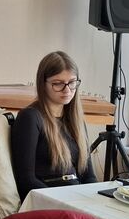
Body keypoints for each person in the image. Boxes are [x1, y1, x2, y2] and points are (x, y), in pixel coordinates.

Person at [10, 51, 98, 199]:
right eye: (58, 83)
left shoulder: (77, 121)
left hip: (75, 197)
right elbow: (26, 181)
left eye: (72, 82)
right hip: (46, 200)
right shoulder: (30, 117)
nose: (67, 90)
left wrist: (94, 199)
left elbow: (88, 176)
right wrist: (61, 201)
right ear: (43, 84)